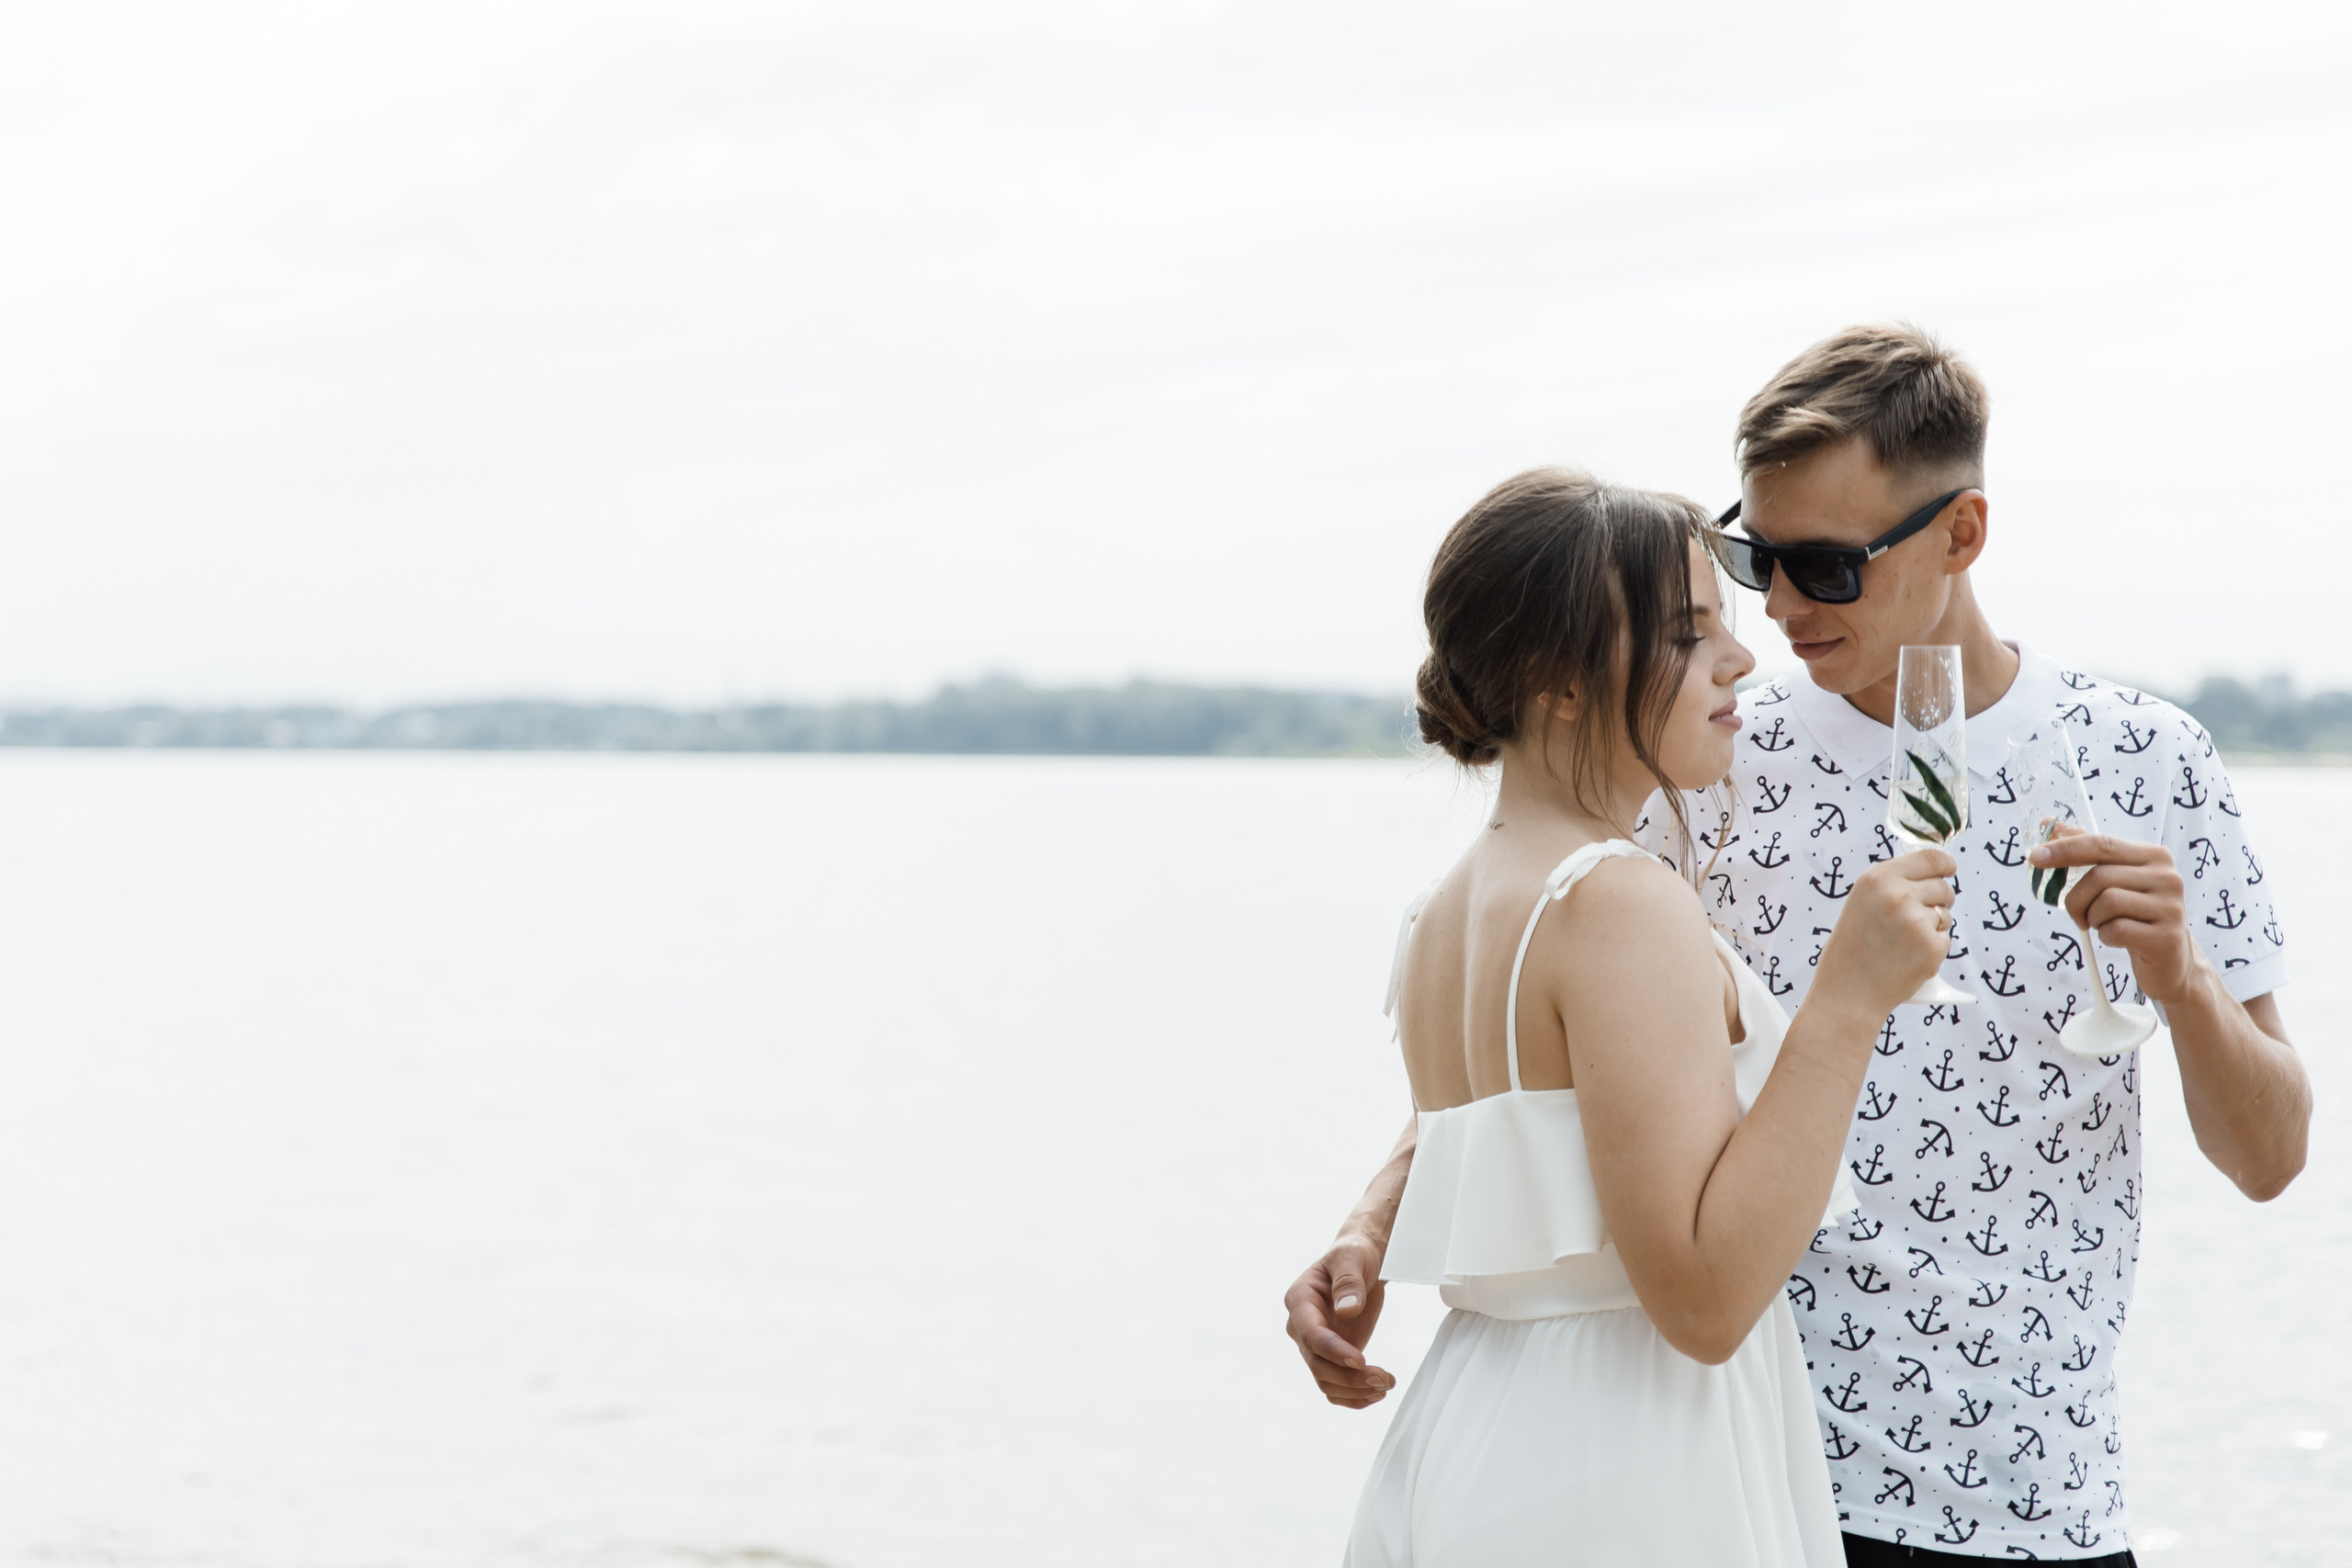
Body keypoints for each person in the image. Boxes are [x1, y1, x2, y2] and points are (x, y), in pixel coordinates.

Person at [1290, 326, 2312, 1566]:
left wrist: (2185, 982)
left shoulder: (2150, 762)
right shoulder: (1699, 755)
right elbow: (1562, 1041)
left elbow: (2269, 1157)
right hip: (1739, 1469)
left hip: (2022, 1490)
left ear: (1962, 534)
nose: (1774, 608)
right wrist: (1369, 1218)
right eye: (1755, 555)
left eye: (1824, 566)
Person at [1339, 468, 1955, 1565]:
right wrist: (1847, 1001)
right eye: (1685, 636)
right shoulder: (1617, 901)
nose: (1738, 660)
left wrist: (1354, 1235)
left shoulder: (1442, 912)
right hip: (1625, 1470)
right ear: (1560, 684)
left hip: (1474, 1430)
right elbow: (1706, 1300)